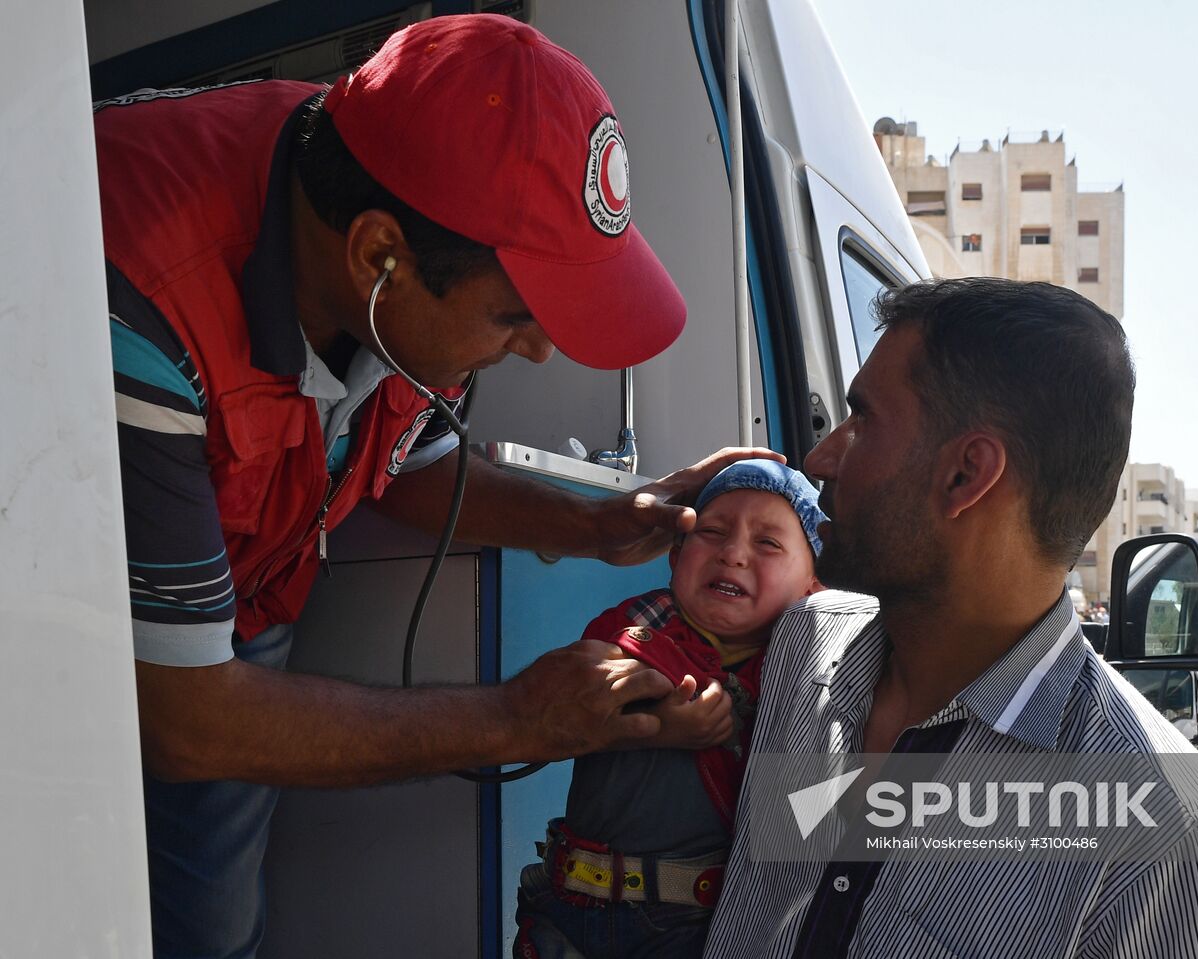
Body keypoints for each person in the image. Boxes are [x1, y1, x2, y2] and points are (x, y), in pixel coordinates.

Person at [96, 15, 773, 958]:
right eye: (514, 316)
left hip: (239, 610)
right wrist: (512, 719)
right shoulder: (137, 292)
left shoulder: (398, 220)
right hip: (83, 645)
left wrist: (605, 524)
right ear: (378, 257)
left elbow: (413, 471)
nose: (537, 348)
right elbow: (185, 718)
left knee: (210, 927)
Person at [703, 278, 1198, 959]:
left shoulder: (1168, 830)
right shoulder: (803, 644)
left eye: (861, 419)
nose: (821, 458)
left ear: (966, 475)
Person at [513, 460, 825, 958]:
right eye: (712, 532)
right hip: (566, 911)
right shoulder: (638, 625)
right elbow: (579, 688)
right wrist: (656, 724)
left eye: (768, 543)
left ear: (814, 585)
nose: (733, 553)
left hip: (693, 929)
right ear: (676, 555)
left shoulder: (808, 669)